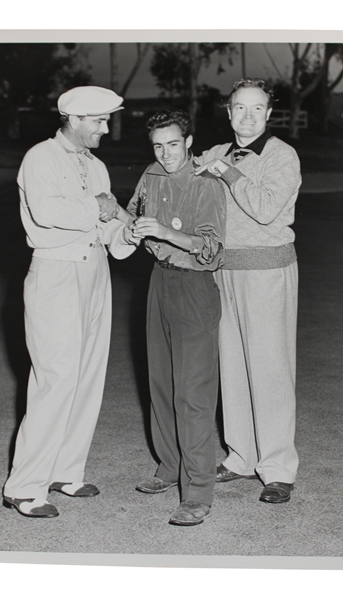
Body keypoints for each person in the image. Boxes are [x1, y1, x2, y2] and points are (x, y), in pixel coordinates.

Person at [3, 86, 139, 518]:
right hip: (56, 273)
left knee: (87, 375)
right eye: (98, 121)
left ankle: (65, 470)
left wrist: (131, 233)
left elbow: (106, 231)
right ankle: (24, 486)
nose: (105, 128)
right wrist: (98, 206)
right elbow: (46, 212)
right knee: (56, 378)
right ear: (73, 120)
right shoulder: (39, 158)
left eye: (107, 120)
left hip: (96, 273)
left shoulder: (96, 166)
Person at [195, 78, 302, 504]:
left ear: (269, 114)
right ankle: (241, 455)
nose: (248, 116)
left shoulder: (281, 155)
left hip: (267, 269)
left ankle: (278, 468)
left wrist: (224, 170)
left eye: (257, 109)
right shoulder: (217, 152)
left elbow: (262, 208)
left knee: (271, 369)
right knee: (233, 366)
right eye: (240, 108)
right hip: (224, 270)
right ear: (228, 112)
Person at [127, 109, 226, 526]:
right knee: (161, 384)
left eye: (173, 144)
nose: (166, 153)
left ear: (188, 142)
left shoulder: (207, 183)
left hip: (195, 287)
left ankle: (199, 490)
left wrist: (166, 233)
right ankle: (170, 465)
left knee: (193, 392)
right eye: (158, 145)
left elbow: (211, 250)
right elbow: (135, 214)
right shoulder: (151, 174)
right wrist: (129, 226)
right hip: (159, 282)